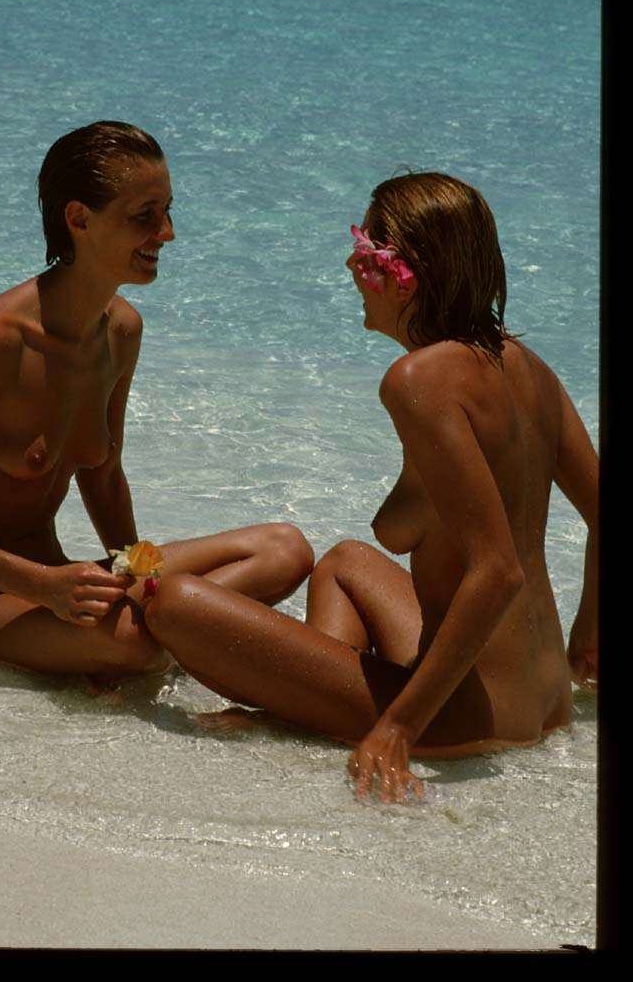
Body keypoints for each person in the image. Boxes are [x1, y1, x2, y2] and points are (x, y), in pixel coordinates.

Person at [142, 172, 599, 802]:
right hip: (543, 702)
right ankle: (304, 707)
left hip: (468, 716)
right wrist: (587, 635)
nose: (349, 267)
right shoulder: (523, 363)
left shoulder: (418, 380)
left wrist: (397, 728)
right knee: (346, 562)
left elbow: (497, 572)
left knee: (171, 602)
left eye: (362, 254)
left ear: (403, 274)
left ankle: (339, 714)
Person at [0, 121, 314, 681]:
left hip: (60, 582)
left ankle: (164, 630)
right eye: (145, 215)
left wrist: (141, 576)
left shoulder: (121, 331)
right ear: (79, 220)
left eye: (168, 211)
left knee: (284, 550)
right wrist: (42, 586)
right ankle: (165, 639)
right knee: (139, 646)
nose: (167, 233)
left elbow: (105, 477)